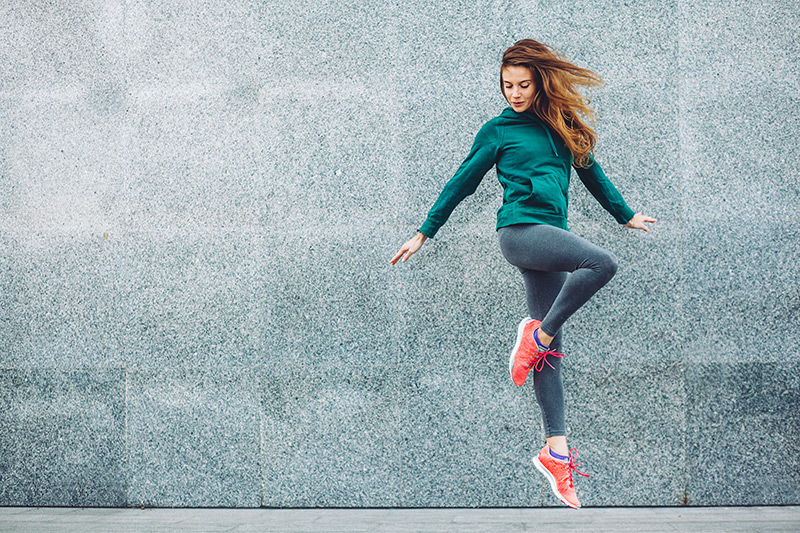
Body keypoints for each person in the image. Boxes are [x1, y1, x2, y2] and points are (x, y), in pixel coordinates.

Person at [389, 39, 656, 509]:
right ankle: (537, 335)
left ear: (541, 83)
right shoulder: (497, 130)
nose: (514, 93)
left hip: (551, 236)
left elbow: (594, 175)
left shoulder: (563, 127)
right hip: (520, 232)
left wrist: (625, 215)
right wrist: (423, 231)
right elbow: (462, 182)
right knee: (601, 264)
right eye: (508, 85)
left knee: (549, 355)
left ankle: (555, 449)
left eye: (523, 85)